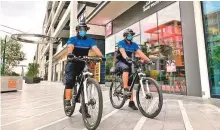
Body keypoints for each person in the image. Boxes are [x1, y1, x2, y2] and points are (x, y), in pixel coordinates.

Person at [64, 22, 104, 117]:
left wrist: (102, 56)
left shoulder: (90, 41)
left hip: (82, 63)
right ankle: (67, 102)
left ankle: (83, 107)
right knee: (70, 81)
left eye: (84, 29)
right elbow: (70, 47)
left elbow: (95, 48)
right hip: (72, 62)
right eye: (81, 29)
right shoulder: (72, 39)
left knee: (86, 82)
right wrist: (70, 54)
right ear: (77, 30)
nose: (83, 31)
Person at [116, 29, 151, 110]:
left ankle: (131, 102)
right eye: (128, 35)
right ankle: (125, 89)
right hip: (120, 62)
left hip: (129, 62)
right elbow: (122, 52)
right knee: (126, 68)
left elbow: (140, 53)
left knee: (131, 82)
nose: (130, 36)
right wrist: (126, 57)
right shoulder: (121, 43)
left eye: (131, 35)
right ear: (125, 36)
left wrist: (148, 60)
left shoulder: (134, 44)